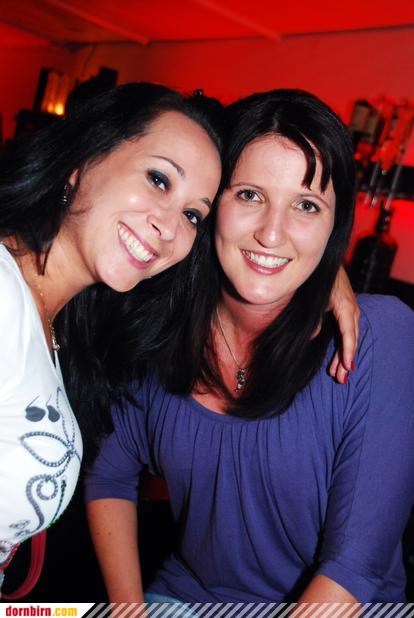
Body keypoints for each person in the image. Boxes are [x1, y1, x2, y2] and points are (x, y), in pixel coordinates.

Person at [85, 89, 414, 606]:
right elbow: (109, 475)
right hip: (192, 599)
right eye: (250, 196)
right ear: (211, 203)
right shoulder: (157, 328)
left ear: (334, 228)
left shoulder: (382, 337)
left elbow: (357, 569)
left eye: (306, 205)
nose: (272, 234)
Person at [0, 81, 224, 592]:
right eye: (159, 179)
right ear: (82, 161)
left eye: (193, 214)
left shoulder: (55, 324)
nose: (170, 227)